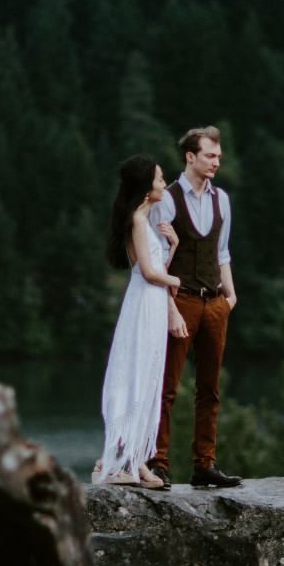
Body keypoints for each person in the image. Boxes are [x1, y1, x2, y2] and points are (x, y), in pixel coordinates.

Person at [145, 125, 242, 490]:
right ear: (191, 157)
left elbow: (222, 253)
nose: (217, 162)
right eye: (210, 156)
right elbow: (157, 262)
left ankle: (205, 464)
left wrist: (231, 299)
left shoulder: (222, 200)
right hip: (180, 299)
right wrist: (169, 307)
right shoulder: (167, 200)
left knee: (209, 389)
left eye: (218, 156)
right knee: (168, 387)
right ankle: (158, 463)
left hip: (215, 302)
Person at [94, 154, 183, 486]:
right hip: (144, 304)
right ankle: (113, 462)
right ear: (147, 187)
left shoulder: (144, 220)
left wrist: (172, 246)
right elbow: (148, 273)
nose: (164, 184)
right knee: (133, 375)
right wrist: (176, 282)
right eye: (160, 179)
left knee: (148, 376)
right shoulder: (136, 219)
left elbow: (156, 268)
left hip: (153, 304)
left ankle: (135, 459)